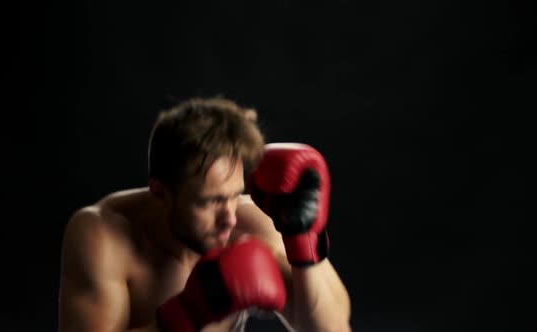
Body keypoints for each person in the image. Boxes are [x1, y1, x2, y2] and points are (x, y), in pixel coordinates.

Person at [58, 97, 352, 332]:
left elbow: (334, 328)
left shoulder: (254, 225)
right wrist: (183, 317)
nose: (230, 217)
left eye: (235, 195)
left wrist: (303, 244)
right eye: (210, 201)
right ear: (161, 194)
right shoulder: (103, 234)